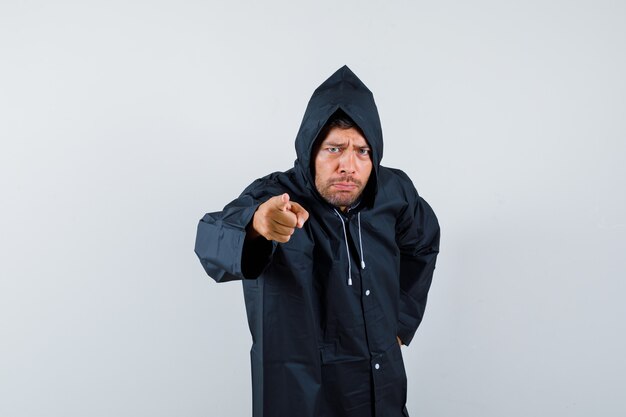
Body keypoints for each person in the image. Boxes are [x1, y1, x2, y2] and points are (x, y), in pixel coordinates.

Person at [194, 66, 440, 417]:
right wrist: (256, 226)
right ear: (310, 150)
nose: (348, 165)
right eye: (334, 149)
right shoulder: (276, 195)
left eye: (362, 151)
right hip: (301, 396)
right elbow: (211, 239)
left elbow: (423, 241)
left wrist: (400, 322)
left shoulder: (393, 193)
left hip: (380, 388)